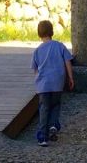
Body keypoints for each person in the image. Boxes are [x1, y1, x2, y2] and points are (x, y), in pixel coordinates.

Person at [31, 19, 74, 147]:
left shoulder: (37, 51)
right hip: (57, 83)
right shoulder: (60, 46)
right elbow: (68, 62)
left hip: (43, 85)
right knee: (55, 105)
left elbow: (35, 69)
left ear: (39, 34)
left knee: (44, 108)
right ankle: (53, 125)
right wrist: (70, 78)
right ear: (52, 32)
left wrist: (38, 83)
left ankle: (43, 137)